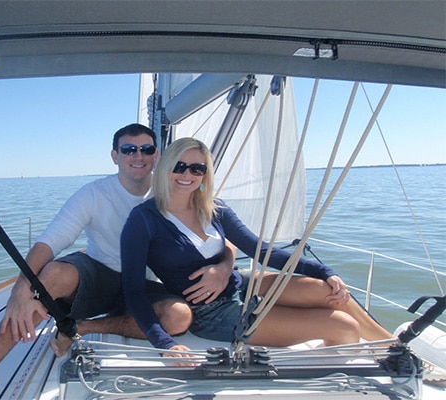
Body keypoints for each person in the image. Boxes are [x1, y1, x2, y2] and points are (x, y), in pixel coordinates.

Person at [0, 124, 235, 396]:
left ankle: (80, 327)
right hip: (101, 274)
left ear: (157, 156)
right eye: (128, 149)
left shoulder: (178, 188)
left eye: (146, 149)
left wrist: (224, 267)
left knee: (180, 318)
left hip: (148, 284)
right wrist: (20, 288)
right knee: (52, 275)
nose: (137, 156)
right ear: (114, 156)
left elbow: (218, 237)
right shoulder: (94, 193)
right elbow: (50, 241)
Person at [121, 137, 394, 358]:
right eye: (179, 166)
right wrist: (164, 343)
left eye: (197, 169)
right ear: (165, 167)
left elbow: (262, 251)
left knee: (327, 290)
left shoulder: (215, 209)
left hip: (241, 284)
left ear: (205, 175)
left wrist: (324, 271)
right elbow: (133, 290)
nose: (187, 174)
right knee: (345, 327)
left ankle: (393, 347)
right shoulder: (144, 219)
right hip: (211, 314)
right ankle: (349, 349)